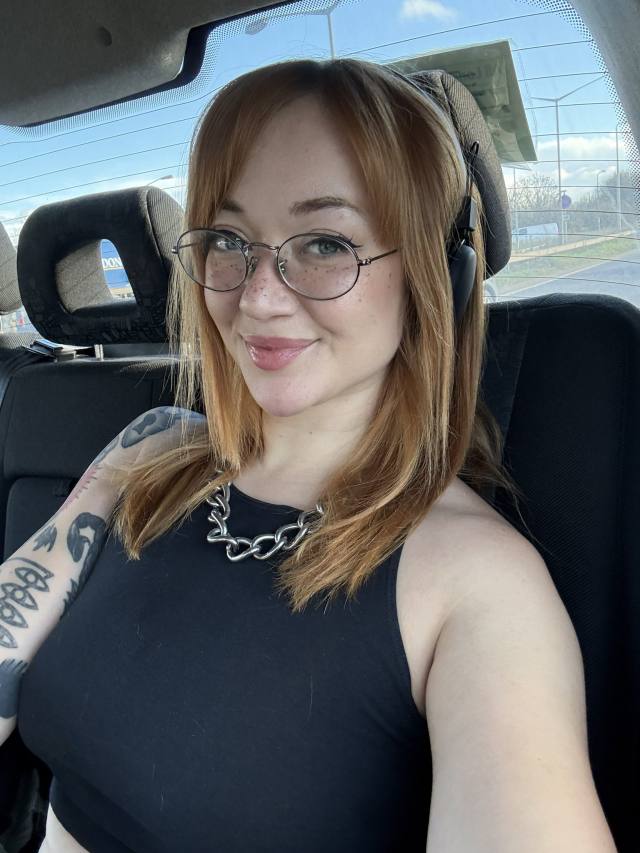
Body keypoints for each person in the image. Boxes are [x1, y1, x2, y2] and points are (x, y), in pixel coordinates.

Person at [4, 57, 614, 853]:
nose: (258, 295)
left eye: (325, 243)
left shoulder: (476, 583)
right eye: (229, 241)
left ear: (436, 275)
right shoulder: (152, 447)